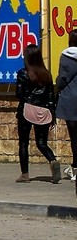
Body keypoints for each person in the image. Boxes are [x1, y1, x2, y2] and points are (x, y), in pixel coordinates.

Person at [14, 44, 62, 183]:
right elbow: (51, 97)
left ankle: (25, 175)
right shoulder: (46, 74)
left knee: (23, 143)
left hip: (27, 110)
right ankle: (52, 160)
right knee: (41, 143)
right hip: (44, 111)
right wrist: (52, 114)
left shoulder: (23, 73)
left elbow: (19, 94)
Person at [55, 29, 77, 183]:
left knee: (74, 137)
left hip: (71, 100)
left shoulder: (66, 56)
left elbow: (62, 79)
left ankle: (75, 169)